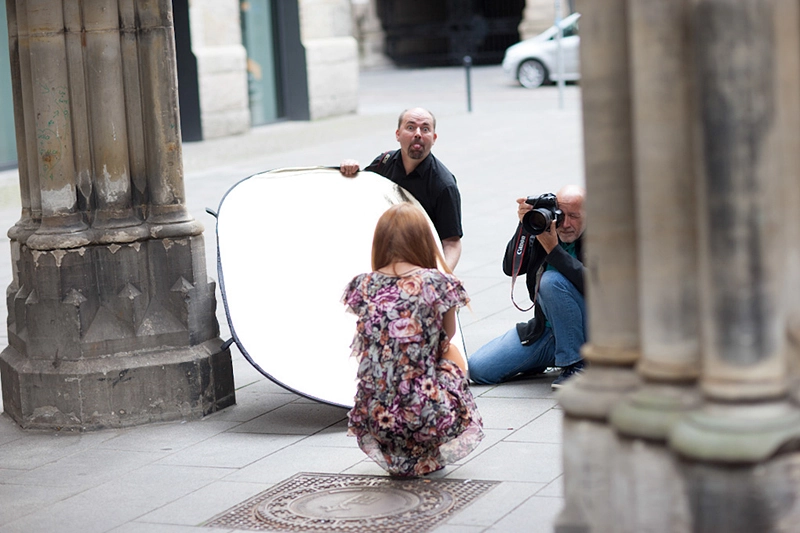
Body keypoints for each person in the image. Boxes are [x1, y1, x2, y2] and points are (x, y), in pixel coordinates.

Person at [341, 203, 483, 477]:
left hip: (374, 415)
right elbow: (447, 335)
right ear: (423, 240)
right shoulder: (437, 282)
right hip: (424, 415)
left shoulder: (362, 285)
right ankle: (428, 448)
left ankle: (399, 453)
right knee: (450, 351)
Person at [468, 185, 587, 390]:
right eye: (561, 214)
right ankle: (560, 356)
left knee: (551, 281)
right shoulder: (546, 229)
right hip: (547, 331)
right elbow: (510, 268)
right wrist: (526, 225)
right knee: (479, 369)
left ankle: (576, 365)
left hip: (591, 333)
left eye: (574, 216)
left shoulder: (604, 239)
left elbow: (596, 285)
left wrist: (553, 249)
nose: (566, 224)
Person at [340, 107, 463, 270]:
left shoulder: (444, 184)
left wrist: (443, 277)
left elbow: (452, 242)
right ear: (398, 134)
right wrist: (350, 170)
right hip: (379, 261)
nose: (418, 134)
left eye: (425, 129)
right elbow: (359, 194)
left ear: (434, 138)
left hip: (420, 269)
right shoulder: (384, 162)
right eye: (410, 127)